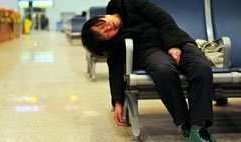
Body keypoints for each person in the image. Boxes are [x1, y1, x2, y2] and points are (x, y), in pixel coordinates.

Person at [81, 0, 216, 141]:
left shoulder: (128, 3)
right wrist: (117, 102)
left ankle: (199, 127)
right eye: (105, 34)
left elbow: (162, 17)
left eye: (100, 24)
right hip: (149, 51)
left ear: (100, 17)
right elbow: (115, 67)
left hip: (178, 41)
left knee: (201, 67)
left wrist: (173, 45)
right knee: (163, 71)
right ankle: (187, 125)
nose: (108, 27)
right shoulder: (117, 42)